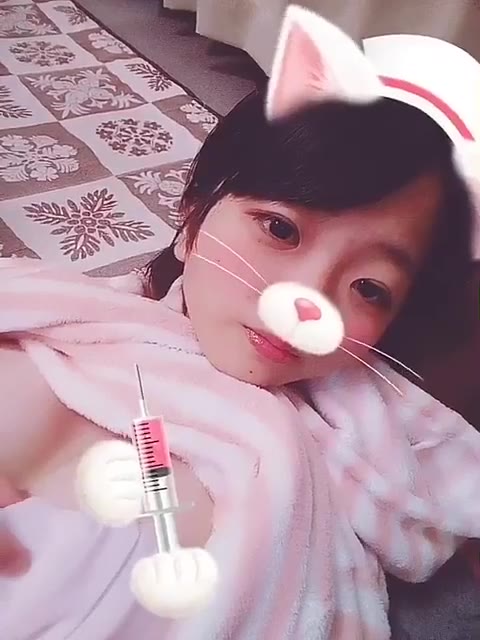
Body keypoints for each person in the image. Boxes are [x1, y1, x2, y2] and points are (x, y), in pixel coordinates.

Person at [0, 10, 478, 640]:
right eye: (280, 229)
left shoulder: (351, 451)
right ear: (194, 212)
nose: (308, 301)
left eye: (370, 288)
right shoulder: (52, 325)